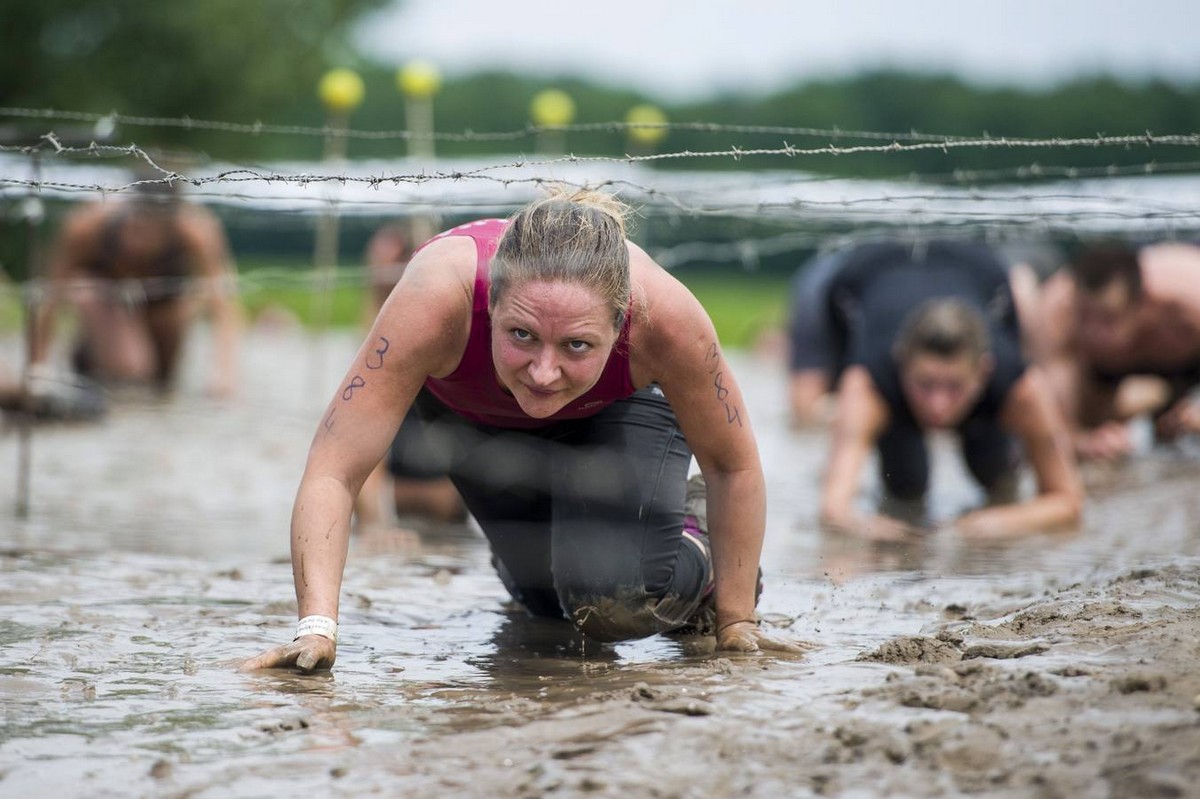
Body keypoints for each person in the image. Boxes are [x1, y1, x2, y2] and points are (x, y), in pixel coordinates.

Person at [241, 188, 803, 673]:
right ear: (492, 302)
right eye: (522, 335)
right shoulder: (437, 299)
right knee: (551, 612)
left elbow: (734, 464)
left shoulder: (666, 318)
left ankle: (692, 538)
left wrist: (736, 623)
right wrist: (316, 629)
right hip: (479, 413)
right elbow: (334, 467)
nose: (543, 372)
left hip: (619, 413)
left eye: (577, 345)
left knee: (609, 603)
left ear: (622, 320)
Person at [817, 240, 1083, 541]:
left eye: (954, 387)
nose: (938, 406)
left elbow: (1069, 501)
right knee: (906, 488)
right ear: (901, 365)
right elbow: (833, 509)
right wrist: (887, 535)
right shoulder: (867, 385)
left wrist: (996, 522)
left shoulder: (1019, 387)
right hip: (860, 275)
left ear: (983, 372)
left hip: (984, 268)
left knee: (996, 477)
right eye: (926, 385)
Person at [32, 181, 242, 396]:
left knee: (161, 377)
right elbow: (50, 295)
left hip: (164, 299)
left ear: (169, 225)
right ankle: (92, 356)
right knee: (132, 369)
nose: (137, 236)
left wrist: (224, 374)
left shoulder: (197, 231)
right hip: (102, 295)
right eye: (134, 225)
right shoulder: (87, 226)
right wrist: (38, 367)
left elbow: (222, 301)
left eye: (147, 230)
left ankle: (147, 359)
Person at [1028, 241, 1200, 460]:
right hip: (1106, 381)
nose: (1093, 333)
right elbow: (1052, 425)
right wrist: (1083, 442)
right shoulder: (1056, 313)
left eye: (1107, 319)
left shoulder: (1188, 300)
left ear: (1143, 302)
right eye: (1085, 316)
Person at [357, 219, 466, 529]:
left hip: (446, 508)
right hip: (408, 502)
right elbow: (360, 457)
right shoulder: (379, 355)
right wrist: (376, 523)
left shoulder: (456, 347)